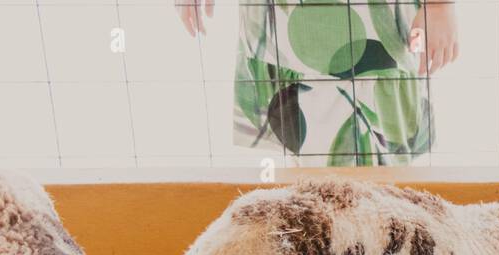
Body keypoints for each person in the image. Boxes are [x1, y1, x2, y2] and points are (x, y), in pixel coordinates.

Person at [175, 0, 460, 166]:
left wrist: (440, 5)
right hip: (278, 31)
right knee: (301, 210)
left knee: (378, 202)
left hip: (367, 39)